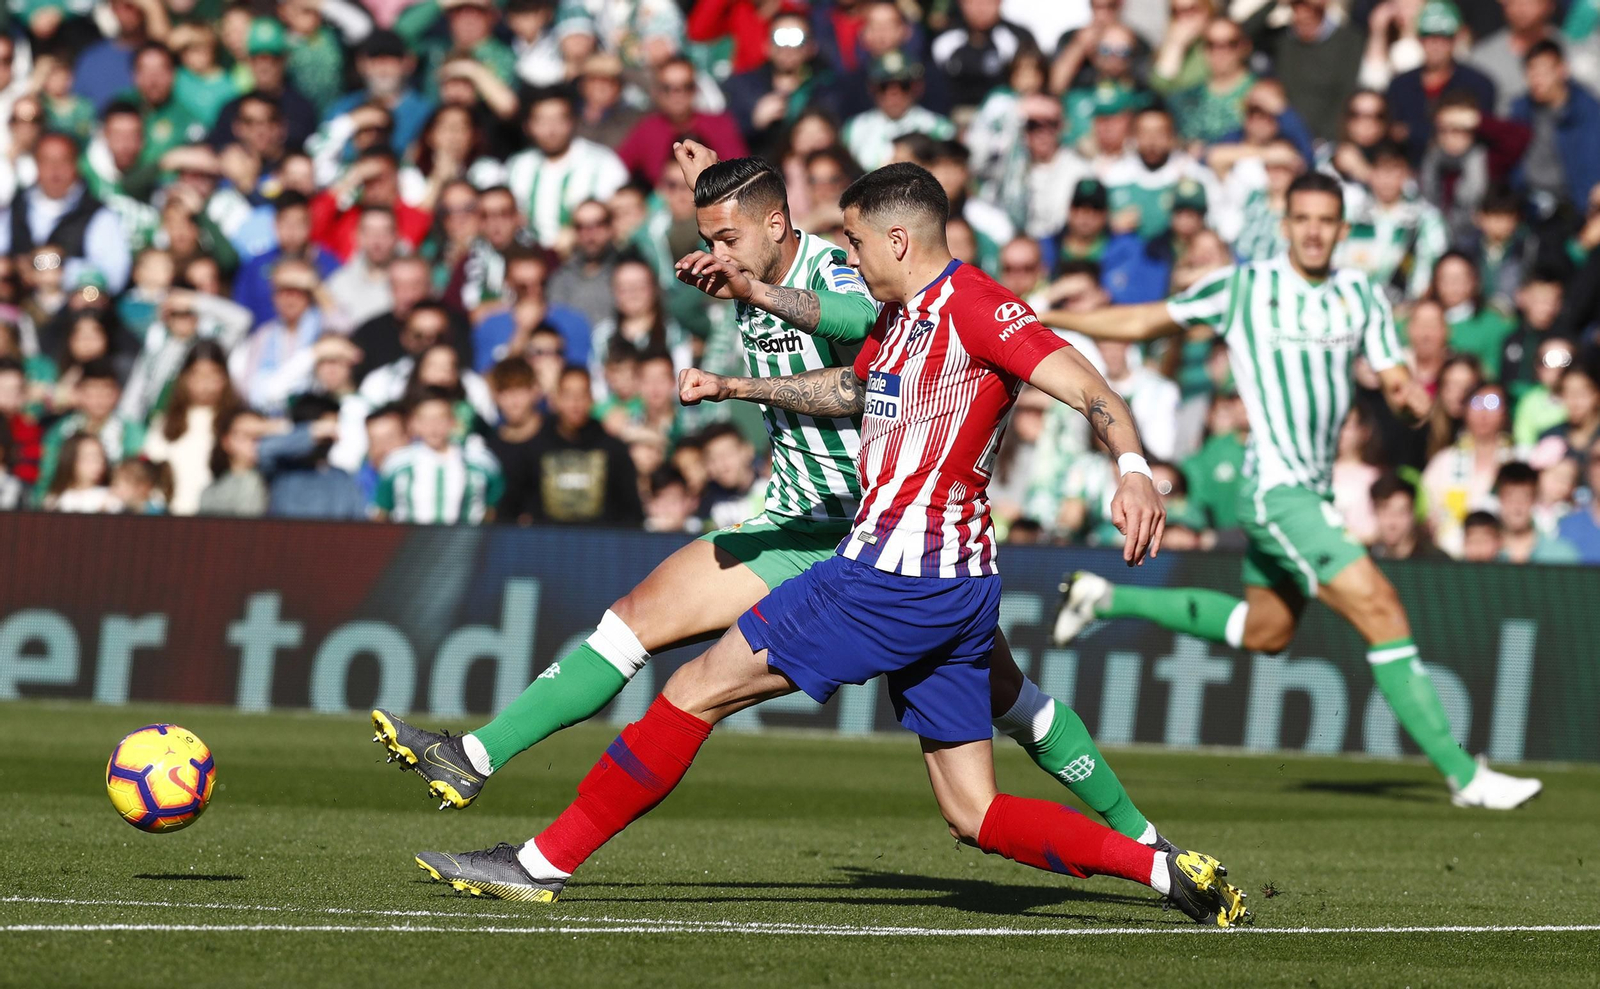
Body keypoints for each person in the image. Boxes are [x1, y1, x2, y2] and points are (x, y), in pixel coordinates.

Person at [404, 162, 1250, 929]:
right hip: (955, 588)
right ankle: (1162, 867)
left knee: (695, 687)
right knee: (974, 813)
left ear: (897, 237)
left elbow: (1086, 383)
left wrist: (1134, 467)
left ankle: (538, 862)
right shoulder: (905, 317)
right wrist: (738, 385)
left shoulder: (977, 307)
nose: (844, 253)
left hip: (887, 575)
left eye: (852, 237)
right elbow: (849, 384)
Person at [1045, 171, 1541, 809]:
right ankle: (1465, 776)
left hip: (1312, 489)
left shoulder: (1360, 295)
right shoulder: (1246, 286)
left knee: (1266, 631)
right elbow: (1146, 320)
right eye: (1301, 218)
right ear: (1286, 225)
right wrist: (1048, 315)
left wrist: (1406, 393)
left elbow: (1392, 372)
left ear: (1342, 229)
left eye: (1324, 221)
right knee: (1382, 607)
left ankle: (1102, 597)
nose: (1312, 230)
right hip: (1276, 491)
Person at [504, 88, 629, 251]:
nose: (551, 130)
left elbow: (622, 216)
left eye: (558, 120)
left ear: (573, 121)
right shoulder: (517, 167)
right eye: (542, 121)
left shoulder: (603, 163)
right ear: (528, 126)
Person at [375, 387, 502, 524]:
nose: (433, 427)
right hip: (412, 543)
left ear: (453, 421)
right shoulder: (397, 463)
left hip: (466, 543)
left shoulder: (481, 461)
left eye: (440, 418)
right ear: (414, 423)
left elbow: (494, 507)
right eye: (426, 419)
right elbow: (382, 512)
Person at [142, 340, 241, 515]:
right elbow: (151, 470)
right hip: (170, 516)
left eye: (213, 375)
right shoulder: (164, 423)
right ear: (184, 378)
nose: (205, 384)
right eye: (197, 375)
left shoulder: (236, 423)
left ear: (225, 378)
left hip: (217, 517)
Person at [257, 392, 368, 519]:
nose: (333, 435)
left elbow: (359, 523)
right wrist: (311, 432)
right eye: (328, 429)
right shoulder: (282, 471)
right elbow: (265, 450)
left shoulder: (343, 479)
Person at [1494, 460, 1579, 563]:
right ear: (1499, 498)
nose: (1517, 507)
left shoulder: (1562, 556)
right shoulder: (1481, 554)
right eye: (1510, 497)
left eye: (1524, 497)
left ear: (1534, 499)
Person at [198, 407, 269, 516]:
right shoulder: (210, 491)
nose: (254, 444)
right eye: (245, 436)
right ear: (226, 441)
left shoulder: (278, 484)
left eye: (259, 436)